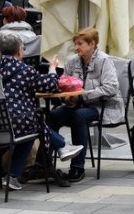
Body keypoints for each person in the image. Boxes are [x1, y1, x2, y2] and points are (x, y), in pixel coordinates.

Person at [0, 34, 83, 191]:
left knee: (33, 122)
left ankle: (13, 176)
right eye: (23, 49)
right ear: (19, 51)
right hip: (15, 124)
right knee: (34, 124)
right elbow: (51, 86)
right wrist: (52, 68)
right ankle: (62, 145)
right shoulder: (25, 70)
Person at [49, 27, 124, 182]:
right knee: (52, 115)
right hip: (77, 105)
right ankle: (42, 163)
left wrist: (83, 96)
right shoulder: (71, 61)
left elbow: (111, 87)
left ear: (92, 44)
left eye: (80, 44)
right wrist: (67, 98)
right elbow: (63, 84)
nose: (76, 47)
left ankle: (77, 167)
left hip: (103, 107)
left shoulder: (103, 60)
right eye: (75, 44)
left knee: (79, 117)